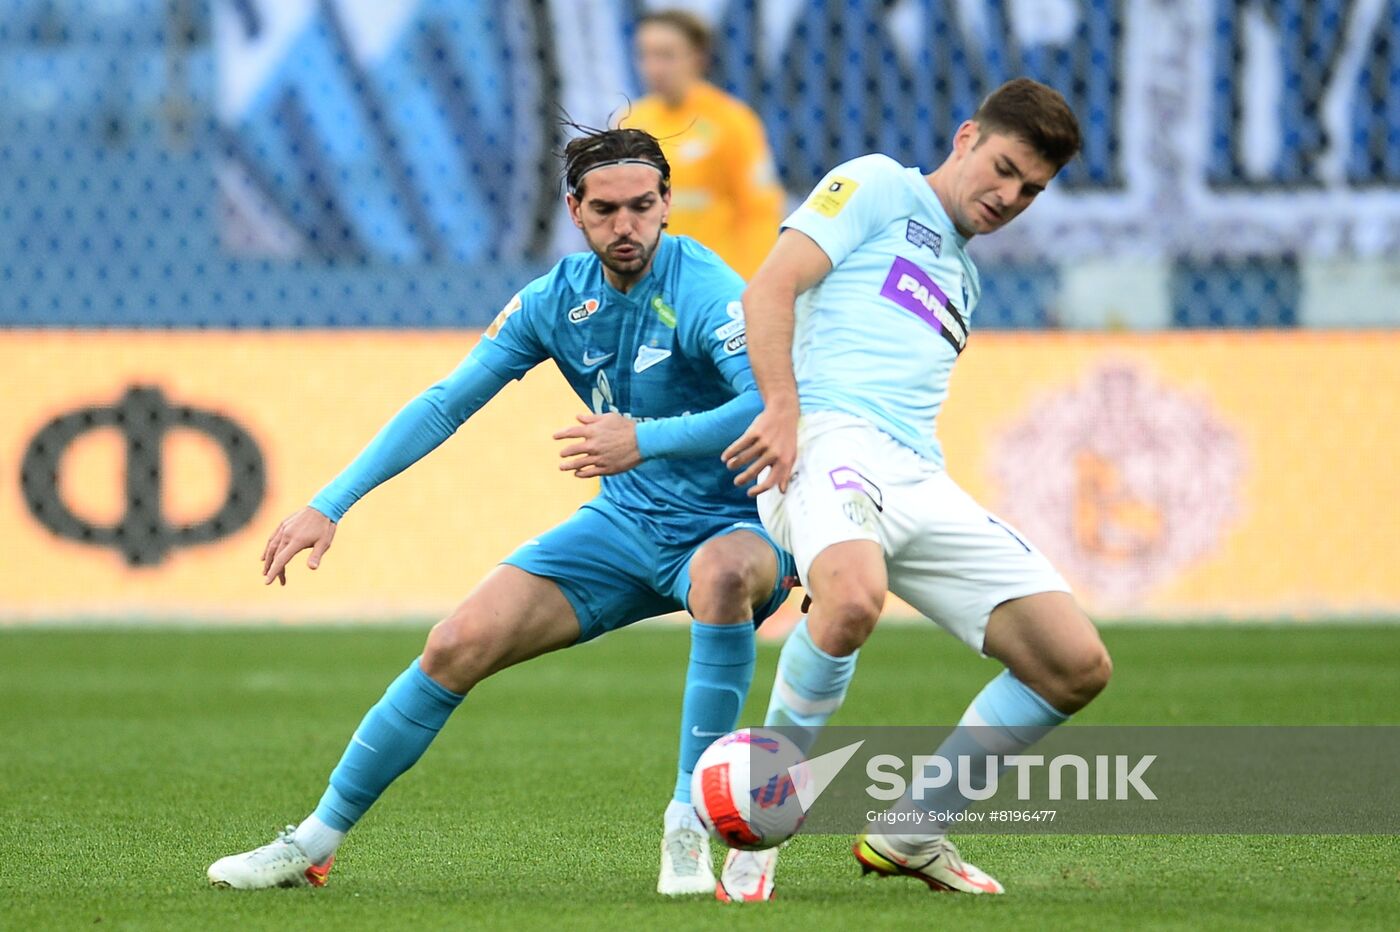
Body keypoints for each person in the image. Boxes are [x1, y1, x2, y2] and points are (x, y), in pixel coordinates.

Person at [206, 126, 795, 897]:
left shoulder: (706, 289)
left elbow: (766, 405)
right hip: (624, 525)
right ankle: (312, 842)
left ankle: (687, 823)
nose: (628, 226)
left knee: (720, 578)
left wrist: (642, 439)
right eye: (608, 209)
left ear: (666, 204)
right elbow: (448, 403)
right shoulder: (556, 299)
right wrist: (330, 503)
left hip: (738, 524)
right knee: (455, 642)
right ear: (575, 210)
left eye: (644, 207)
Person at [719, 78, 1113, 901]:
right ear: (967, 136)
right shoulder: (877, 185)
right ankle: (761, 826)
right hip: (826, 440)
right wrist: (784, 413)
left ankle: (911, 831)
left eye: (1032, 190)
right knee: (854, 600)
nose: (1010, 197)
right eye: (1004, 168)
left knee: (1073, 665)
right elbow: (769, 288)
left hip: (917, 474)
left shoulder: (963, 278)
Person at [621, 9, 783, 280]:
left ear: (697, 58)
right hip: (651, 279)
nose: (654, 68)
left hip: (714, 279)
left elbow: (759, 213)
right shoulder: (630, 122)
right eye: (645, 55)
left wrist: (749, 282)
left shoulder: (732, 121)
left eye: (666, 55)